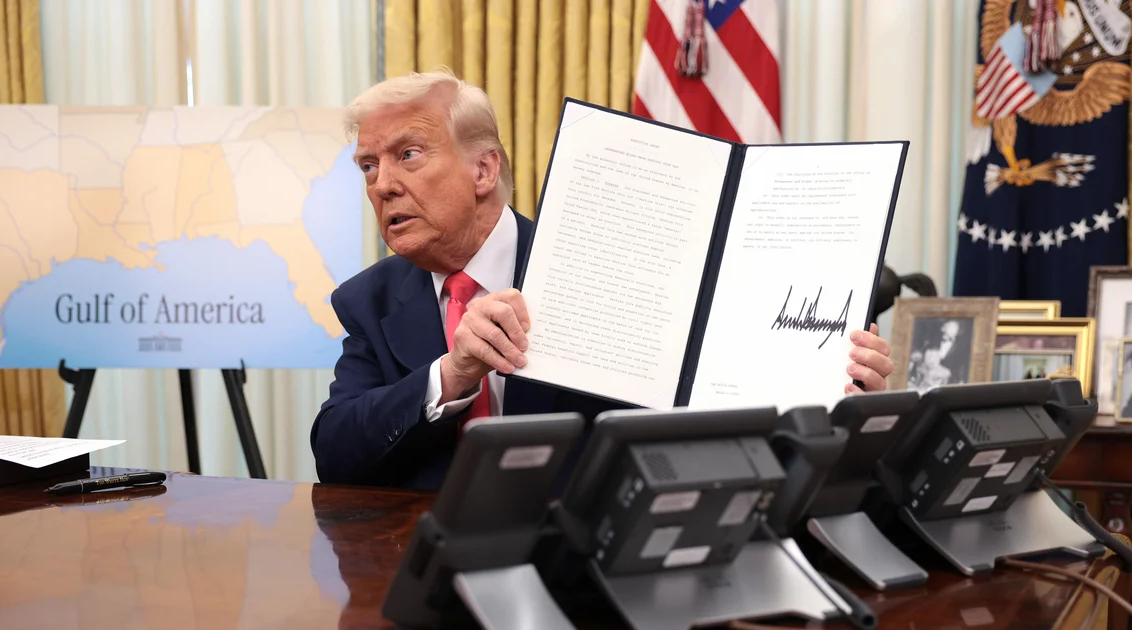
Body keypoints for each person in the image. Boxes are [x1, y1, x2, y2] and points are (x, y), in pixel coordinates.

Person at [310, 70, 896, 489]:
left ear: (483, 168)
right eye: (368, 164)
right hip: (418, 563)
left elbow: (698, 431)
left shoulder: (609, 266)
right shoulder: (371, 300)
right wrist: (453, 373)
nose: (381, 184)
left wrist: (837, 401)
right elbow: (334, 452)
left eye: (407, 155)